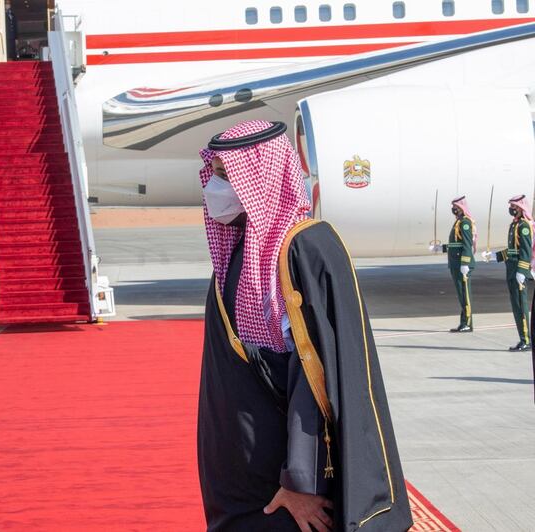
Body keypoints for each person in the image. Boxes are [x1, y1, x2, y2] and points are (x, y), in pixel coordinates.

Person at [197, 120, 411, 531]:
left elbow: (316, 378)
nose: (214, 186)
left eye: (227, 174)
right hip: (243, 486)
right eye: (216, 173)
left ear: (262, 175)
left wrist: (302, 482)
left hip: (287, 496)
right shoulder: (238, 248)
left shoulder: (305, 250)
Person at [482, 194, 533, 351]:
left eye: (514, 206)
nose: (511, 209)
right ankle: (523, 338)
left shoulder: (524, 226)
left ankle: (526, 340)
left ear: (521, 208)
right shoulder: (514, 225)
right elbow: (512, 250)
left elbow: (525, 250)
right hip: (511, 269)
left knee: (520, 306)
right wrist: (494, 256)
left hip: (518, 270)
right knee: (515, 305)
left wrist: (522, 271)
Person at [431, 196, 476, 332]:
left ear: (461, 207)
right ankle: (464, 322)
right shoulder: (458, 222)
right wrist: (441, 248)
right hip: (456, 263)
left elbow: (467, 244)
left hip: (462, 264)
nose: (453, 209)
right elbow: (455, 244)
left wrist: (465, 263)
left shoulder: (465, 222)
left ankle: (467, 323)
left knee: (465, 294)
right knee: (461, 294)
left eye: (455, 207)